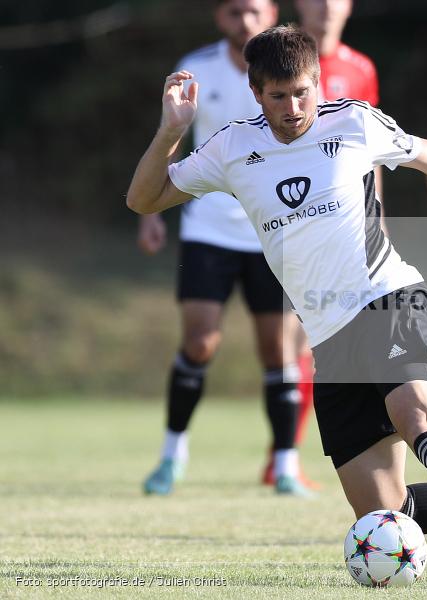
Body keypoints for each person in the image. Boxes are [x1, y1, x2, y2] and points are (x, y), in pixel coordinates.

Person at [126, 25, 427, 589]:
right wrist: (171, 130)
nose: (293, 108)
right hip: (329, 337)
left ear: (317, 82)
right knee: (383, 519)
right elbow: (143, 198)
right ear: (255, 92)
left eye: (303, 92)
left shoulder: (355, 121)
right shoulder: (230, 148)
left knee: (421, 422)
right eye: (277, 96)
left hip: (389, 299)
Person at [137, 0, 314, 497]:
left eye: (254, 11)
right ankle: (172, 456)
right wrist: (151, 213)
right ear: (221, 18)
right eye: (235, 12)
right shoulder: (197, 70)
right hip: (209, 229)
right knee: (199, 342)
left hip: (274, 230)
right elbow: (170, 143)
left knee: (278, 350)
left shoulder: (292, 76)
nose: (245, 22)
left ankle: (284, 465)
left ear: (272, 13)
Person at [259, 0, 382, 487]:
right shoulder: (275, 66)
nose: (325, 8)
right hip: (286, 227)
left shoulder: (360, 69)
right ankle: (285, 453)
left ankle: (292, 453)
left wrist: (381, 219)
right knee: (291, 341)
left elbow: (373, 152)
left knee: (325, 341)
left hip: (344, 230)